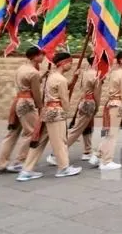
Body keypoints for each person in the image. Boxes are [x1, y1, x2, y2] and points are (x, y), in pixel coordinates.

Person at [17, 51, 81, 181]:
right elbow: (64, 99)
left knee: (39, 142)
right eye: (70, 63)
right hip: (56, 112)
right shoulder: (61, 79)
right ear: (63, 63)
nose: (71, 66)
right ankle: (63, 167)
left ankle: (26, 169)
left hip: (46, 112)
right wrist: (66, 113)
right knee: (60, 141)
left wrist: (74, 79)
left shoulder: (51, 77)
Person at [0, 45, 44, 175]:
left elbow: (27, 84)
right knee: (31, 133)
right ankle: (20, 162)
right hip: (27, 103)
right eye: (41, 54)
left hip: (18, 101)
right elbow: (36, 92)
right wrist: (40, 106)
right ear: (36, 56)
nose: (43, 57)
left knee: (12, 134)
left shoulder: (22, 68)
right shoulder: (33, 72)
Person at [48, 56, 99, 167]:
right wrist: (98, 107)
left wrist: (75, 77)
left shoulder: (86, 72)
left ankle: (87, 150)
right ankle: (55, 155)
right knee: (77, 129)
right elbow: (97, 94)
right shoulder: (96, 74)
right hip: (88, 103)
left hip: (84, 101)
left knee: (86, 127)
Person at [91, 50, 122, 171]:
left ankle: (98, 154)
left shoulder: (114, 73)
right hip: (117, 104)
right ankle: (106, 161)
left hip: (110, 103)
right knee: (113, 134)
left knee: (109, 132)